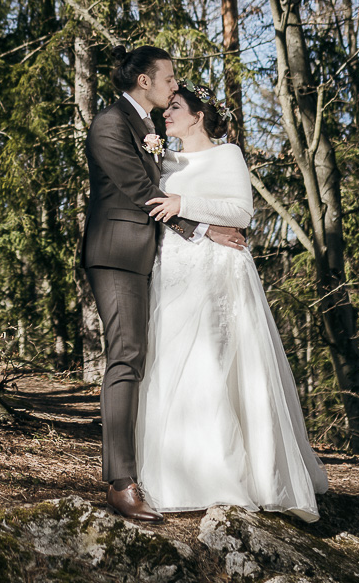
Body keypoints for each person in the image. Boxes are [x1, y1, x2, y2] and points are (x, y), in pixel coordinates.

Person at [135, 81, 329, 522]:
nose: (166, 114)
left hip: (219, 272)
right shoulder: (162, 158)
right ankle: (186, 474)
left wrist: (185, 200)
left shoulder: (228, 155)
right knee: (174, 363)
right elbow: (157, 211)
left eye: (175, 107)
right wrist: (192, 217)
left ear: (198, 116)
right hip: (175, 270)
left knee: (221, 363)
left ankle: (244, 476)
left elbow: (241, 213)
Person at [81, 46, 247, 523]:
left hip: (149, 258)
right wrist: (205, 229)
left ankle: (155, 468)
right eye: (169, 78)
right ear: (143, 82)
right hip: (116, 256)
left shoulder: (149, 128)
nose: (175, 85)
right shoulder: (111, 125)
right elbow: (143, 192)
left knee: (147, 358)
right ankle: (119, 483)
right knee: (127, 356)